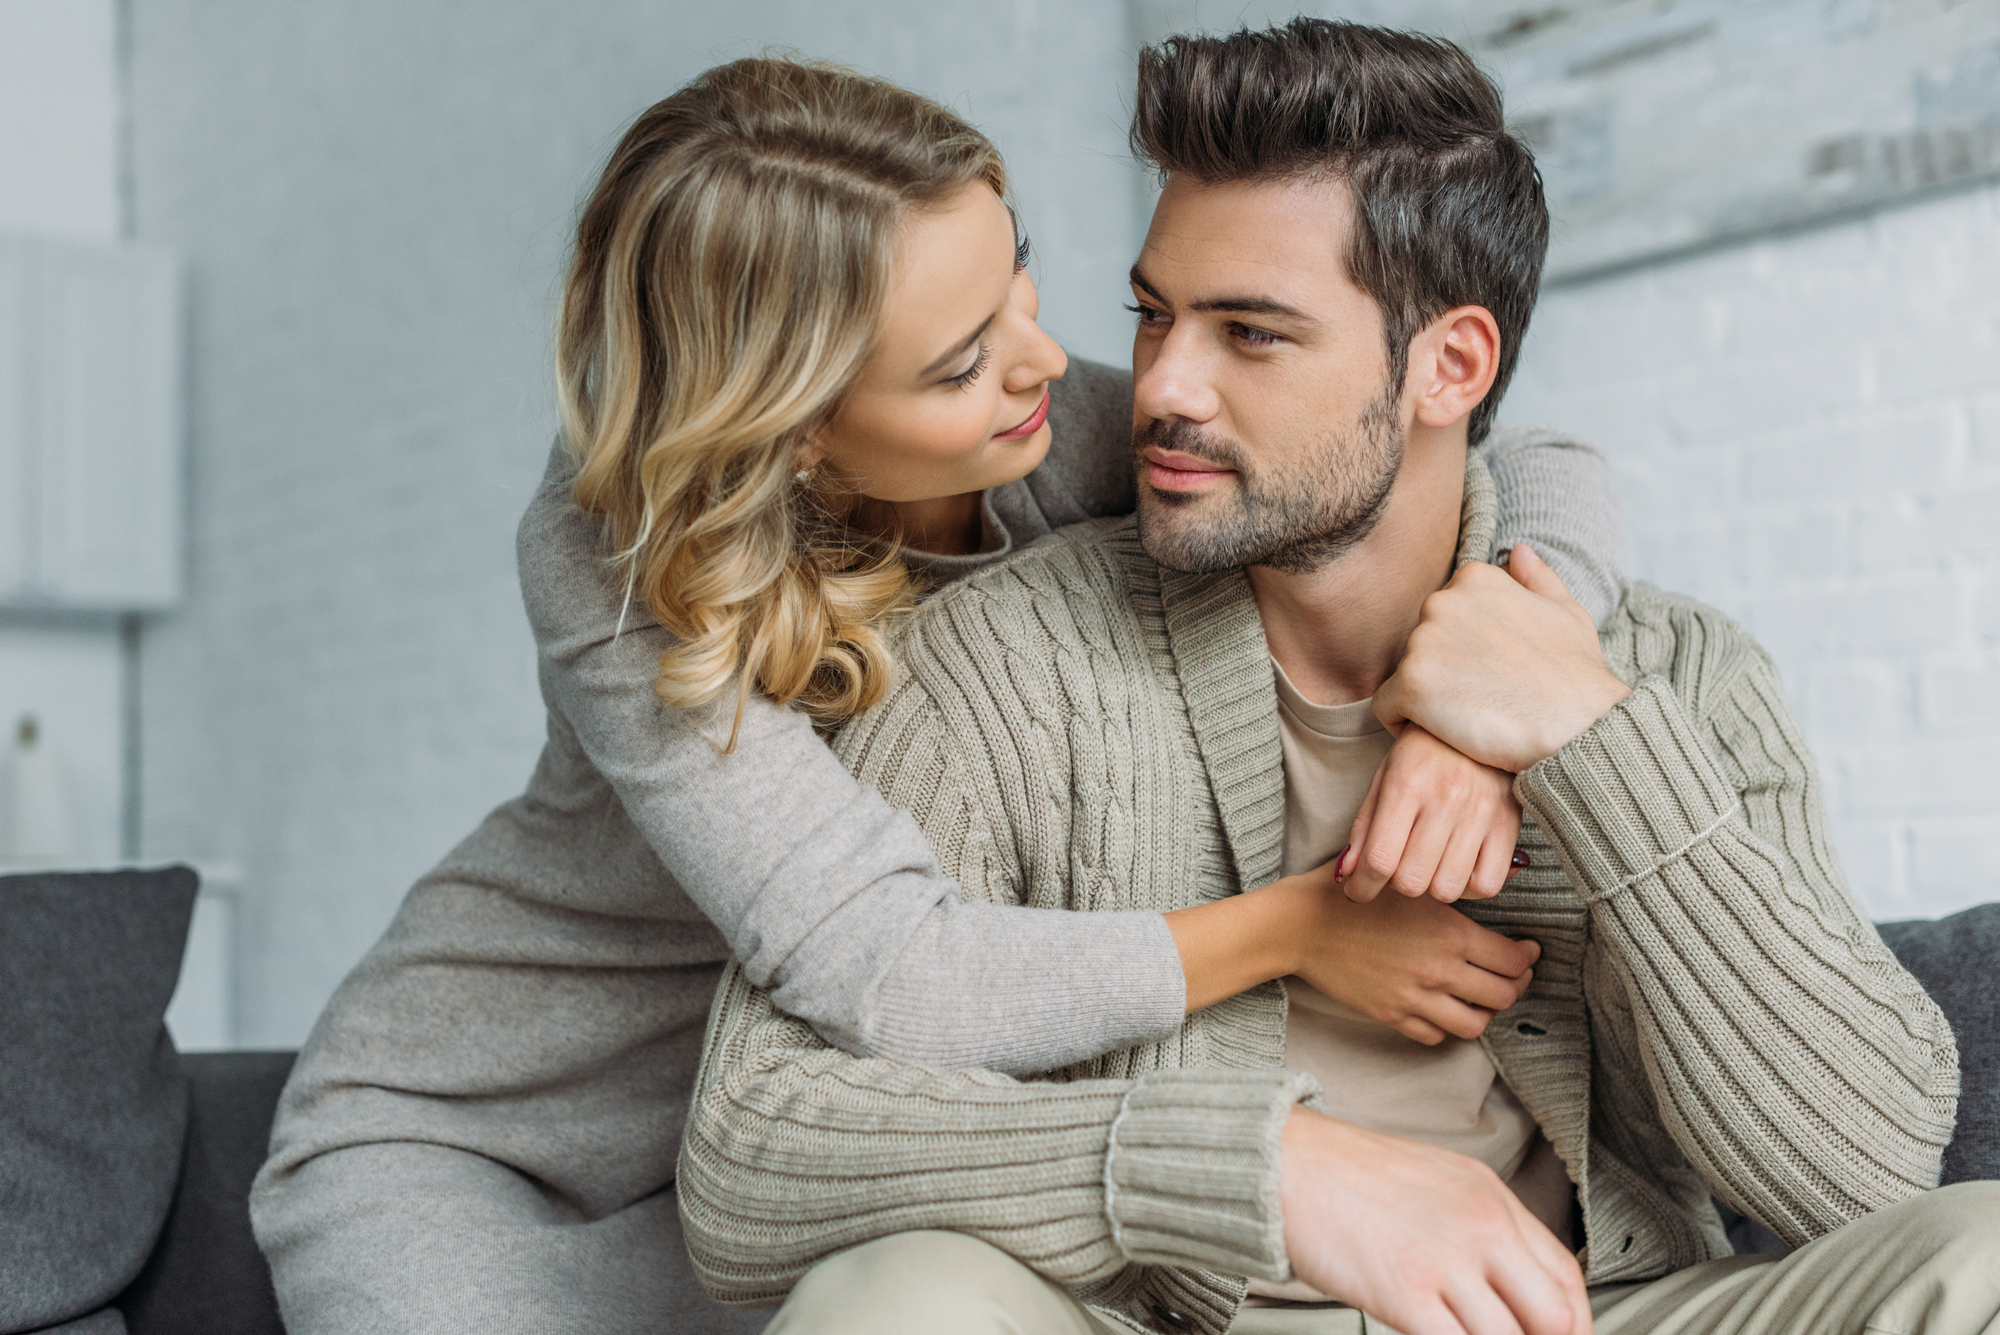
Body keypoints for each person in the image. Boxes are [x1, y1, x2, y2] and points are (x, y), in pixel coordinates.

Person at [250, 55, 1628, 1334]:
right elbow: (892, 965)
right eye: (959, 361)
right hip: (492, 1150)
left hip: (798, 1151)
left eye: (1018, 281)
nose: (1042, 361)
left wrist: (1476, 706)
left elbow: (1532, 461)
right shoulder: (621, 550)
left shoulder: (1046, 429)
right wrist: (1297, 929)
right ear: (789, 430)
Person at [676, 21, 1985, 1335]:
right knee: (899, 1304)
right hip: (1171, 1322)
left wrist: (1590, 740)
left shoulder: (1676, 674)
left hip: (1593, 1317)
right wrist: (1255, 1166)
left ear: (1448, 367)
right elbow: (750, 1148)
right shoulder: (998, 665)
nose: (1159, 388)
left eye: (1251, 335)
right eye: (1153, 315)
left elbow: (1865, 1172)